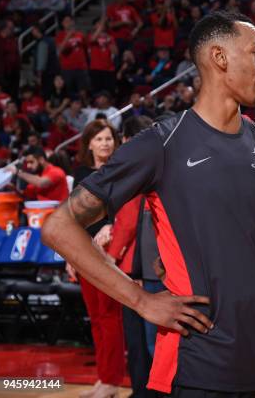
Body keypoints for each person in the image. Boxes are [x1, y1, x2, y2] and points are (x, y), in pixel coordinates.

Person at [42, 11, 255, 397]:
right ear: (220, 58)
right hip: (194, 365)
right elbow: (58, 226)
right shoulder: (162, 143)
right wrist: (139, 299)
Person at [67, 119, 124, 398]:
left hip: (111, 253)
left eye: (109, 138)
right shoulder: (80, 173)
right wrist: (70, 254)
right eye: (99, 139)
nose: (105, 143)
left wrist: (110, 226)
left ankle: (112, 381)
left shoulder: (120, 170)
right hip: (84, 253)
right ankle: (103, 379)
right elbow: (74, 216)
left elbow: (125, 208)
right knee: (97, 319)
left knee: (110, 317)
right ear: (89, 143)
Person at [107, 115, 161, 398]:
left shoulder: (139, 168)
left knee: (142, 339)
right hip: (149, 264)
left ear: (127, 140)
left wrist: (111, 258)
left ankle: (146, 391)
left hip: (136, 266)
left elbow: (128, 222)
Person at [55, 15, 90, 96]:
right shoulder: (60, 35)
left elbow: (86, 49)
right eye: (66, 21)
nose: (68, 23)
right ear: (62, 24)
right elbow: (60, 50)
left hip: (81, 68)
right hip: (67, 69)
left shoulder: (80, 35)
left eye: (70, 21)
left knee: (83, 91)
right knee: (69, 92)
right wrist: (68, 36)